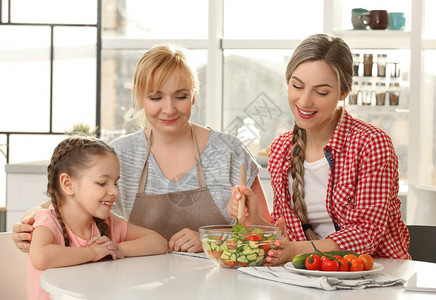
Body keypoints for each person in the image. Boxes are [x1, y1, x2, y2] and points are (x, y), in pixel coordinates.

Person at [12, 44, 271, 254]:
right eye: (156, 97)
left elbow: (267, 233)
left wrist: (209, 240)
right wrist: (29, 222)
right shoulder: (118, 156)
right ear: (138, 97)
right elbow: (64, 201)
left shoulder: (229, 153)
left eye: (180, 96)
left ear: (193, 96)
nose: (169, 109)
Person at [227, 33, 411, 265]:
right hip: (310, 276)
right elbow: (288, 237)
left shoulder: (371, 143)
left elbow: (366, 234)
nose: (304, 101)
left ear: (343, 93)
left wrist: (294, 250)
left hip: (376, 275)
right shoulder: (281, 149)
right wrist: (256, 221)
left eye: (321, 92)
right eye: (297, 86)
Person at [28, 136, 168, 300]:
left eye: (115, 183)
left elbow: (158, 242)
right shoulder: (48, 221)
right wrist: (92, 252)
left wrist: (118, 249)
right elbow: (40, 257)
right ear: (68, 184)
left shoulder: (107, 222)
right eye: (102, 183)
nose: (114, 192)